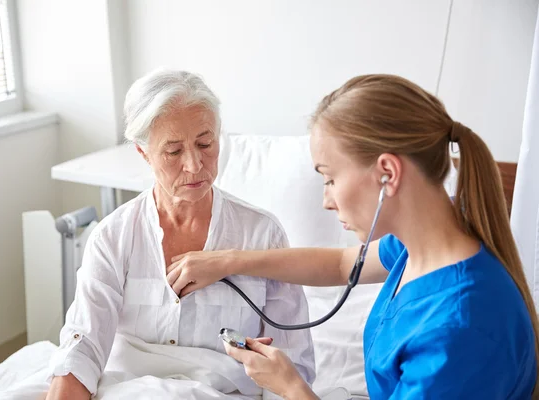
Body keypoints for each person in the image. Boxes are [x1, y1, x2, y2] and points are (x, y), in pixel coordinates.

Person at [166, 74, 539, 399]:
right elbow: (343, 263)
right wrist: (226, 261)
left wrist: (292, 387)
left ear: (388, 174)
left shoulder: (459, 330)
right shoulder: (431, 237)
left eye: (329, 178)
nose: (327, 200)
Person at [46, 69, 315, 399]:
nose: (194, 164)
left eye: (205, 144)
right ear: (143, 152)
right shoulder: (113, 238)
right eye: (173, 151)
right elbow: (82, 348)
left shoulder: (261, 234)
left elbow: (292, 365)